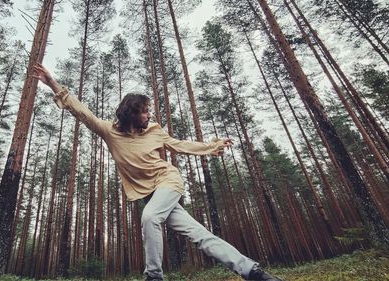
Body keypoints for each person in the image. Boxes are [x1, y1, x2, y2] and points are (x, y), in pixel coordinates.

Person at [33, 63, 283, 281]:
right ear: (131, 112)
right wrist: (52, 82)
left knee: (150, 217)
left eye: (148, 110)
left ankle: (153, 277)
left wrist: (212, 146)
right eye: (144, 110)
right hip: (149, 195)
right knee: (199, 235)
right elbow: (81, 111)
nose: (149, 114)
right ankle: (253, 272)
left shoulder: (154, 131)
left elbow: (180, 145)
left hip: (168, 182)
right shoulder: (109, 131)